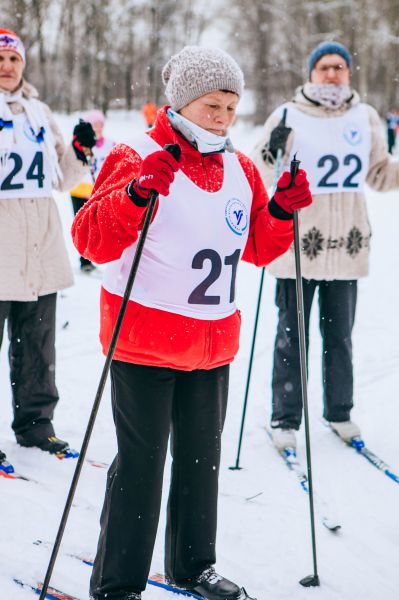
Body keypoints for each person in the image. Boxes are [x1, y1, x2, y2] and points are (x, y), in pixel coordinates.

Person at [72, 45, 312, 600]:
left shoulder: (240, 167)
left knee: (201, 463)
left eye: (231, 107)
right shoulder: (137, 154)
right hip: (145, 343)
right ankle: (119, 583)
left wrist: (279, 211)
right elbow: (91, 239)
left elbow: (255, 247)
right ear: (181, 103)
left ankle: (193, 566)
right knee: (141, 466)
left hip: (211, 344)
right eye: (212, 106)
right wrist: (134, 194)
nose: (223, 118)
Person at [251, 41, 399, 451]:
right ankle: (285, 419)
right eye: (324, 67)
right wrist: (271, 149)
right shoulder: (287, 114)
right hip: (296, 246)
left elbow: (379, 174)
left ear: (349, 73)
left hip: (346, 249)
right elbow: (259, 169)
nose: (332, 74)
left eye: (339, 67)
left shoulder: (365, 116)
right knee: (291, 338)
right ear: (311, 73)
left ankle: (339, 412)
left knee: (340, 339)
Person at [0, 28, 96, 469]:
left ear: (23, 64)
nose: (7, 66)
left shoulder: (40, 111)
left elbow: (64, 176)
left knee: (38, 342)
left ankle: (36, 422)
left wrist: (79, 149)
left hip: (40, 244)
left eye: (14, 59)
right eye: (1, 59)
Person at [70, 109, 115, 272]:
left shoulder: (111, 144)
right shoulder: (82, 143)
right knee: (83, 227)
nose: (98, 127)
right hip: (80, 188)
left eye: (100, 124)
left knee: (100, 227)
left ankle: (98, 257)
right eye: (94, 124)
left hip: (98, 191)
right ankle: (84, 261)